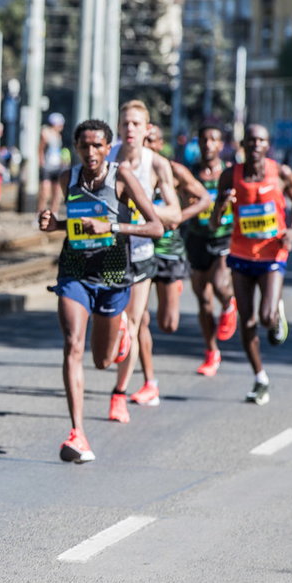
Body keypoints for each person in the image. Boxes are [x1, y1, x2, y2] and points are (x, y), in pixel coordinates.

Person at [38, 119, 164, 463]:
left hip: (112, 272)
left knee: (102, 361)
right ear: (76, 148)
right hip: (75, 270)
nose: (91, 152)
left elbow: (155, 226)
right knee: (72, 344)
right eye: (84, 146)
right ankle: (77, 432)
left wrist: (111, 225)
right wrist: (57, 225)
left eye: (98, 146)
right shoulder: (69, 178)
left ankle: (121, 329)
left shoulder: (120, 176)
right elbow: (77, 223)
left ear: (108, 148)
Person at [213, 124, 292, 406]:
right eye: (251, 140)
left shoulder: (282, 173)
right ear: (243, 144)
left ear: (268, 145)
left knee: (265, 318)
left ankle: (276, 311)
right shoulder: (231, 175)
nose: (255, 145)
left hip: (272, 254)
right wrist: (222, 205)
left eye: (261, 141)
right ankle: (260, 377)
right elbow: (215, 222)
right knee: (247, 320)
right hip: (241, 255)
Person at [105, 101, 182, 423]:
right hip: (107, 253)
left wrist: (144, 208)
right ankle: (115, 338)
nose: (130, 129)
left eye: (137, 124)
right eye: (125, 124)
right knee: (110, 327)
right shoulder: (106, 157)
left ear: (147, 128)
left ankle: (119, 395)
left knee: (134, 325)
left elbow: (174, 214)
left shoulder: (157, 164)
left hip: (140, 255)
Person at [130, 125, 210, 406]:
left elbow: (204, 198)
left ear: (160, 143)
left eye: (152, 141)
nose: (147, 145)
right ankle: (149, 381)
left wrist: (178, 217)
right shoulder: (128, 169)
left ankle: (173, 287)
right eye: (144, 140)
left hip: (168, 250)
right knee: (139, 319)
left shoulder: (171, 169)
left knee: (167, 324)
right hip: (140, 250)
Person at [184, 125, 238, 377]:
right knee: (203, 300)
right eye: (204, 139)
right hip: (196, 238)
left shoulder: (229, 173)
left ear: (221, 145)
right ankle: (211, 351)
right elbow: (179, 199)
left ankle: (229, 303)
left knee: (219, 283)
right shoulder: (191, 173)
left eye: (213, 140)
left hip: (223, 237)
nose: (208, 144)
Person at [37, 112, 67, 216]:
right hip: (47, 166)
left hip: (57, 166)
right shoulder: (45, 133)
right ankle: (40, 214)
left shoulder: (58, 135)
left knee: (57, 192)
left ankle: (54, 213)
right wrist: (41, 162)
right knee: (45, 192)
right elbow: (40, 149)